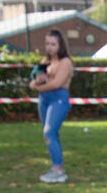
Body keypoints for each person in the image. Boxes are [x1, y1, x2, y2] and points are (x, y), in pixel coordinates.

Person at [26, 29, 73, 183]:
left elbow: (57, 83)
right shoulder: (44, 62)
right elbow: (32, 81)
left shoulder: (65, 62)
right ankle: (57, 166)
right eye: (47, 44)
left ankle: (58, 170)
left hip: (58, 99)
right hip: (44, 100)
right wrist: (38, 82)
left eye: (53, 44)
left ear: (60, 45)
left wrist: (39, 86)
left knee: (49, 132)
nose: (50, 47)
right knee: (52, 135)